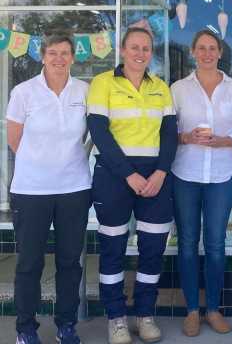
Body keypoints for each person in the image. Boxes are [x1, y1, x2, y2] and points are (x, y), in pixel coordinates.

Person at [87, 27, 177, 344]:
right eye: (134, 47)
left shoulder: (161, 88)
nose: (140, 53)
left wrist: (161, 173)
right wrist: (129, 174)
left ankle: (145, 314)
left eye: (146, 48)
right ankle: (116, 319)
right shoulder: (102, 83)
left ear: (151, 53)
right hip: (114, 176)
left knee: (152, 249)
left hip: (155, 177)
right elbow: (99, 133)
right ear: (122, 50)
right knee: (112, 248)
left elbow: (169, 134)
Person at [6, 34, 91, 344]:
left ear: (73, 57)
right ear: (42, 57)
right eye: (53, 53)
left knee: (70, 262)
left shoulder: (84, 91)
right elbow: (14, 140)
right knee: (30, 263)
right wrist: (41, 164)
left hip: (74, 188)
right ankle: (26, 329)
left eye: (65, 53)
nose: (59, 58)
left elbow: (92, 133)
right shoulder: (24, 92)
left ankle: (66, 325)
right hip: (31, 191)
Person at [170, 30, 232, 337]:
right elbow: (166, 133)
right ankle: (192, 310)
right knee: (188, 244)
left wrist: (222, 141)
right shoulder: (178, 89)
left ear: (220, 53)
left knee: (216, 244)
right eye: (201, 48)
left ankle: (214, 309)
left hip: (222, 177)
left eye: (212, 48)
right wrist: (186, 138)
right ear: (193, 52)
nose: (206, 53)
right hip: (185, 175)